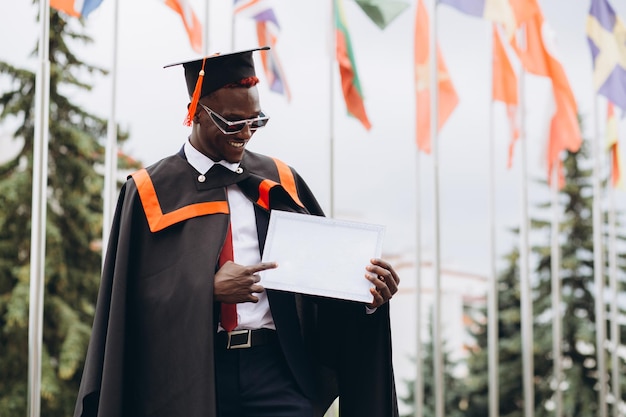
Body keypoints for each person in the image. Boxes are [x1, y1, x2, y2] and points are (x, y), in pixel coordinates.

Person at [74, 46, 400, 417]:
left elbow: (320, 288)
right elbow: (127, 305)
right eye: (232, 121)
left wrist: (365, 297)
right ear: (195, 112)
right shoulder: (150, 191)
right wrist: (207, 289)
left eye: (255, 120)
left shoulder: (282, 181)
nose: (245, 133)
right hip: (190, 376)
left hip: (275, 372)